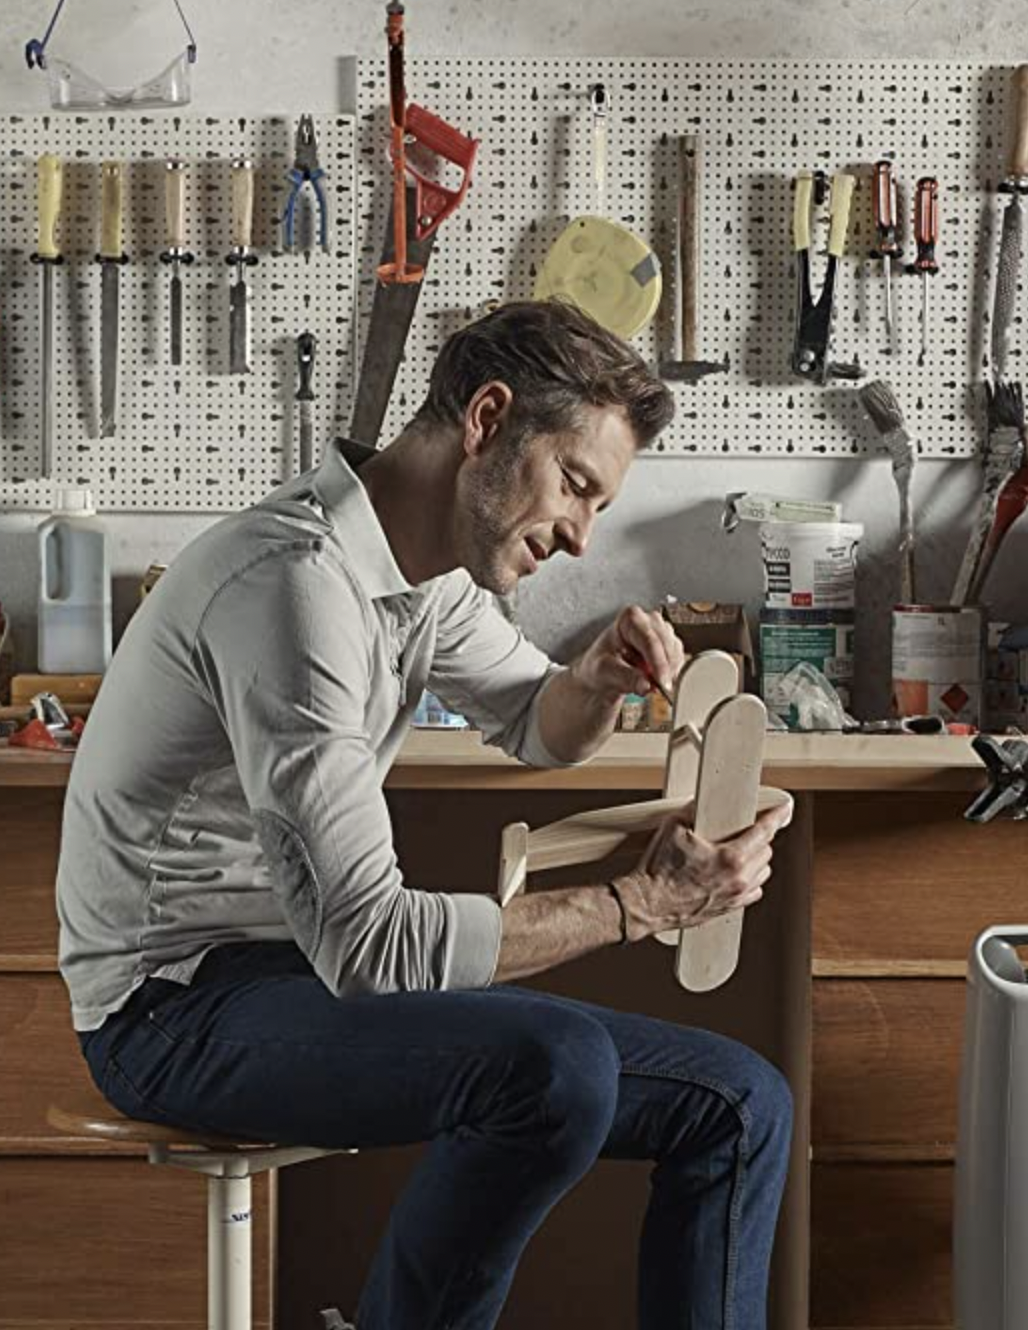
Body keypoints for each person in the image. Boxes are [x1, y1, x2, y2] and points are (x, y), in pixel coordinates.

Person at [56, 299, 795, 1330]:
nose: (580, 537)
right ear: (487, 420)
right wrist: (641, 903)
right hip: (173, 1007)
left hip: (297, 977)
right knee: (552, 1068)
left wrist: (593, 676)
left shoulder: (425, 575)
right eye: (575, 486)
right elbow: (369, 947)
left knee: (741, 1103)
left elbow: (538, 723)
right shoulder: (293, 590)